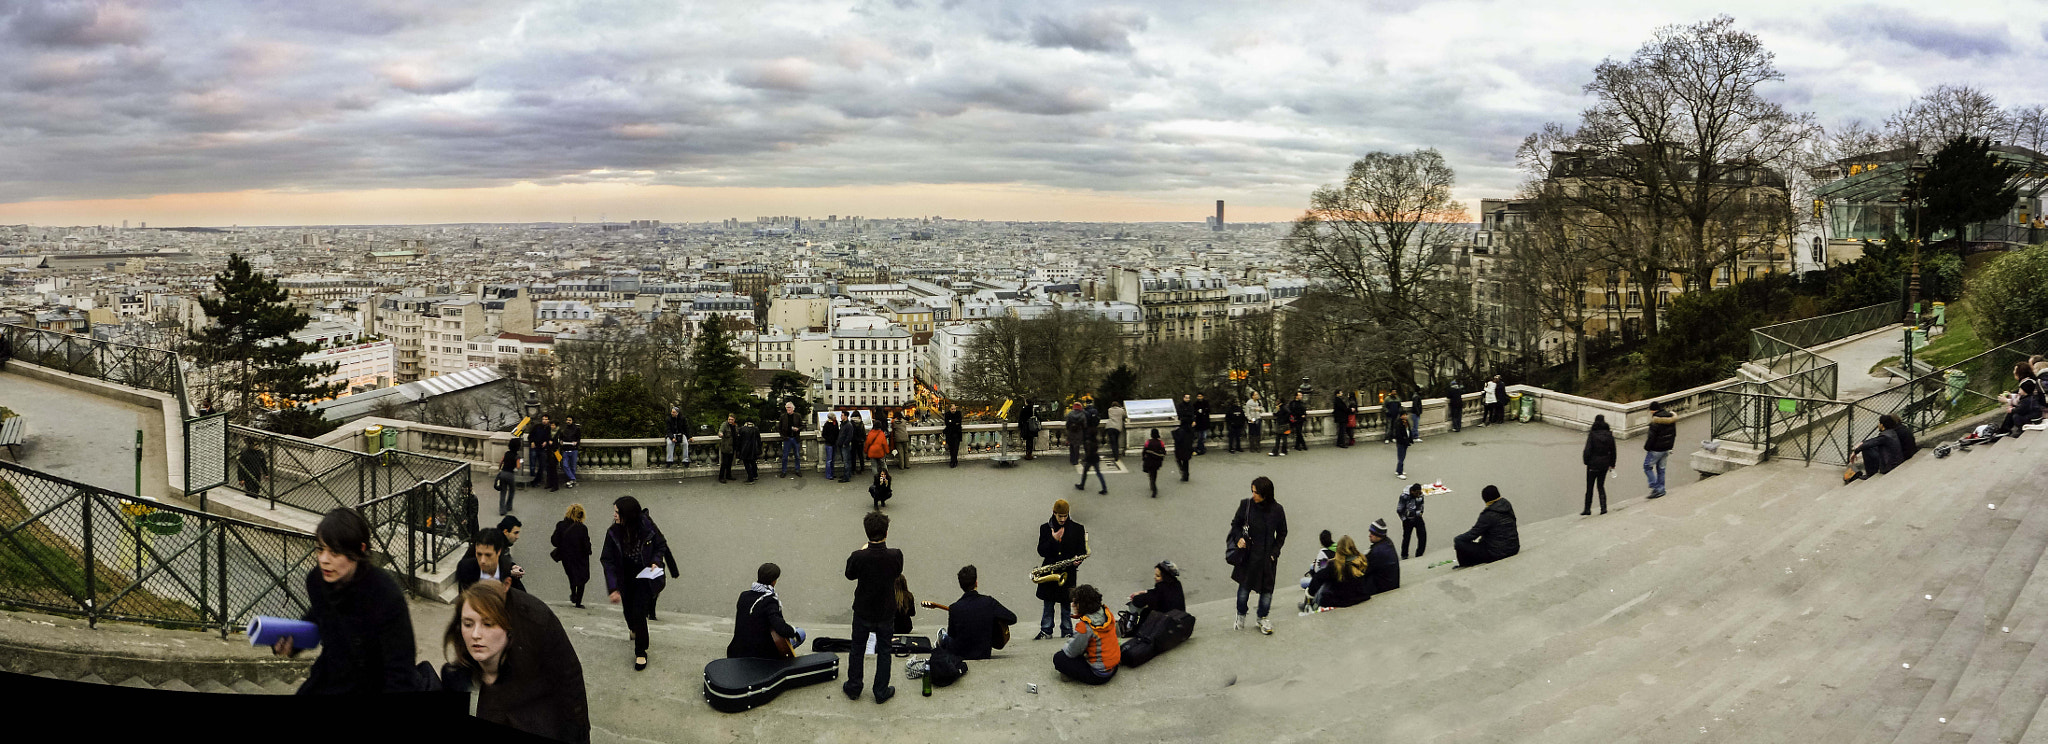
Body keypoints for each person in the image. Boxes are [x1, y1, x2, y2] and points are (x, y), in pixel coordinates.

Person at [278, 507, 418, 694]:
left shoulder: (385, 595)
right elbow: (320, 618)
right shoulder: (317, 580)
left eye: (335, 552)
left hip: (373, 684)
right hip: (329, 677)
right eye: (320, 549)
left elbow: (400, 671)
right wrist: (292, 642)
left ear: (359, 550)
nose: (324, 560)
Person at [444, 580, 590, 744]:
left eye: (488, 624)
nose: (475, 634)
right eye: (468, 624)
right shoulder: (461, 670)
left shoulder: (536, 623)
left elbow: (570, 678)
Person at [844, 511, 905, 703]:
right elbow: (897, 572)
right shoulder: (895, 555)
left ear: (867, 533)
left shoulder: (858, 556)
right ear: (886, 532)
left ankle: (854, 687)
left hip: (863, 609)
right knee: (885, 650)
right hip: (885, 610)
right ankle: (880, 690)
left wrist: (863, 551)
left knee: (857, 648)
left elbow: (849, 574)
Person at [602, 496, 667, 671]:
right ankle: (633, 628)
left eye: (617, 512)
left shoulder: (647, 527)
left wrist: (656, 561)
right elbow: (607, 560)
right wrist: (613, 587)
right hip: (625, 578)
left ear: (627, 515)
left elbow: (661, 545)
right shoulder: (613, 533)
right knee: (628, 612)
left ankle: (640, 651)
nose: (614, 515)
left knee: (639, 614)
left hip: (645, 577)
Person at [1229, 476, 1288, 635]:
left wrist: (1274, 553)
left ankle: (1262, 617)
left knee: (1267, 592)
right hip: (1248, 556)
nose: (1253, 495)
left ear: (1265, 494)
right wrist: (1239, 538)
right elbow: (1235, 525)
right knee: (1243, 590)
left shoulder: (1277, 510)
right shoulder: (1246, 505)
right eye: (1252, 491)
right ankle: (1241, 615)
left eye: (1256, 492)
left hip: (1267, 559)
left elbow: (1282, 533)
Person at [930, 565, 1017, 661]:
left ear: (961, 586)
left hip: (961, 653)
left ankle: (940, 640)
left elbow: (952, 634)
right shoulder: (989, 602)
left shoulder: (954, 608)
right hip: (983, 653)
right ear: (976, 583)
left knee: (945, 637)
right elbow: (1012, 618)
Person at [727, 563, 806, 659]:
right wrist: (794, 633)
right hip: (760, 654)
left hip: (737, 650)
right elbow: (780, 628)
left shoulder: (744, 595)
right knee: (800, 632)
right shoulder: (770, 601)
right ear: (774, 581)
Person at [1036, 499, 1088, 640]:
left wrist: (1079, 560)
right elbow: (1041, 551)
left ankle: (1067, 630)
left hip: (1068, 572)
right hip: (1050, 572)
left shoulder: (1077, 529)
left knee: (1066, 604)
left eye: (1065, 516)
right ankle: (1046, 630)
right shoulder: (1045, 528)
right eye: (1060, 516)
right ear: (1054, 513)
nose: (1063, 519)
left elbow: (1082, 550)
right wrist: (1053, 539)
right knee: (1048, 603)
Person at [1052, 585, 1119, 686]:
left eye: (1075, 603)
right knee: (1085, 646)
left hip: (1099, 675)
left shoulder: (1085, 627)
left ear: (1083, 605)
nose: (1072, 605)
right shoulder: (1106, 613)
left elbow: (1071, 652)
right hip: (1113, 666)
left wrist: (1067, 645)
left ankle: (1072, 675)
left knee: (1059, 658)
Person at [1453, 485, 1519, 568]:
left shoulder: (1488, 515)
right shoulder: (1506, 504)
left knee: (1459, 541)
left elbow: (1473, 534)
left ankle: (1465, 565)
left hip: (1496, 553)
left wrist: (1458, 538)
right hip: (1514, 548)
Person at [1305, 535, 1369, 609]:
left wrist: (1310, 594)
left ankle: (1309, 604)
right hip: (1360, 596)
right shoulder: (1362, 560)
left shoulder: (1331, 561)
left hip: (1343, 600)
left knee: (1308, 582)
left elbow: (1317, 575)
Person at [457, 525, 526, 594]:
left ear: (498, 552)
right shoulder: (466, 570)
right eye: (479, 554)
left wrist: (513, 567)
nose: (483, 560)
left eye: (488, 555)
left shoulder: (504, 567)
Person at [550, 504, 591, 608]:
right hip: (580, 557)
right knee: (582, 578)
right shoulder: (582, 528)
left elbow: (554, 541)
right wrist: (588, 551)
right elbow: (586, 544)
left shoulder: (561, 525)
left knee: (571, 576)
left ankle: (573, 593)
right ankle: (578, 602)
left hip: (566, 557)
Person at [1125, 560, 1185, 628]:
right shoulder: (1176, 584)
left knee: (1145, 611)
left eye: (1158, 576)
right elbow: (1156, 592)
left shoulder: (1161, 589)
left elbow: (1140, 600)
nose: (1154, 577)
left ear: (1165, 577)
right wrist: (1144, 592)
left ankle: (1132, 625)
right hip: (1180, 620)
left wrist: (1136, 597)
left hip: (1167, 625)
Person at [1994, 362, 2045, 437]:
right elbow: (2021, 398)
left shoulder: (2028, 384)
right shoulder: (2028, 382)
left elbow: (2022, 403)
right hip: (2034, 409)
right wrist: (2011, 396)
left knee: (2014, 414)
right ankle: (2004, 429)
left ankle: (2007, 430)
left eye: (2015, 370)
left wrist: (2007, 401)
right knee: (2013, 410)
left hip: (2035, 412)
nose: (2014, 372)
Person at [1583, 415, 1616, 515]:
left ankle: (1587, 509)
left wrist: (1586, 461)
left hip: (1593, 464)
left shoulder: (1592, 435)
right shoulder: (1610, 435)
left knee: (1590, 487)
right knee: (1600, 485)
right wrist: (1612, 464)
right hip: (1604, 464)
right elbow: (1613, 451)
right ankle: (1603, 507)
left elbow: (1587, 450)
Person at [1643, 401, 1678, 499]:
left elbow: (1651, 438)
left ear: (1653, 410)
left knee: (1647, 467)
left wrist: (1647, 447)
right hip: (1667, 449)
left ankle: (1656, 487)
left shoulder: (1655, 422)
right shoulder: (1671, 420)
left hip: (1656, 449)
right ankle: (1661, 489)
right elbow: (1674, 435)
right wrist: (1670, 447)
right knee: (1661, 469)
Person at [1362, 519, 1400, 597]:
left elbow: (1365, 570)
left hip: (1384, 587)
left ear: (1379, 535)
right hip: (1392, 582)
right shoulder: (1387, 542)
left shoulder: (1378, 551)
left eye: (1372, 533)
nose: (1369, 535)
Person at [1396, 483, 1427, 559]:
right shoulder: (1404, 497)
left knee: (1422, 535)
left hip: (1418, 518)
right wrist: (1404, 519)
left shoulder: (1420, 495)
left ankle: (1419, 554)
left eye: (1419, 493)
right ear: (1412, 491)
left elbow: (1422, 505)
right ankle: (1404, 555)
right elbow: (1399, 509)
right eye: (1416, 493)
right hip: (1408, 520)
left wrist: (1420, 513)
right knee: (1406, 537)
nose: (1418, 495)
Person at [1077, 422, 1107, 495]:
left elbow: (1088, 451)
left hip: (1090, 459)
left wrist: (1085, 459)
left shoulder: (1088, 441)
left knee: (1085, 472)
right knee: (1098, 473)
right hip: (1096, 458)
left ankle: (1082, 485)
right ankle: (1104, 488)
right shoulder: (1095, 440)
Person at [778, 402, 804, 478]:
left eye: (789, 408)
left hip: (795, 438)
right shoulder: (783, 417)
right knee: (785, 456)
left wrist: (798, 429)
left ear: (793, 408)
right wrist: (783, 436)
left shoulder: (797, 416)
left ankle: (797, 470)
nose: (788, 409)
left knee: (797, 455)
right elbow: (779, 428)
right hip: (787, 438)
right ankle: (784, 471)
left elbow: (802, 426)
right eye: (787, 408)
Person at [1141, 429, 1167, 498]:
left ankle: (1153, 488)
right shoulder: (1160, 442)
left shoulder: (1148, 442)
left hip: (1149, 461)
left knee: (1151, 474)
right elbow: (1164, 451)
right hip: (1157, 461)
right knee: (1154, 473)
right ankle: (1153, 484)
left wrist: (1143, 458)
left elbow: (1144, 451)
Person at [839, 411, 865, 482]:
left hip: (853, 441)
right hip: (860, 442)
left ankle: (853, 469)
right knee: (860, 456)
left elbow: (850, 434)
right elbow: (863, 433)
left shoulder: (851, 423)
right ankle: (862, 468)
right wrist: (862, 439)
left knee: (852, 456)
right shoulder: (861, 423)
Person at [495, 444, 519, 516]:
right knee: (512, 490)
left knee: (503, 492)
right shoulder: (517, 456)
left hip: (503, 473)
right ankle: (508, 506)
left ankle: (502, 509)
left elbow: (501, 461)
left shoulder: (506, 453)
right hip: (510, 475)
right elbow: (518, 466)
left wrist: (499, 468)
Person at [558, 416, 582, 489]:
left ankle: (570, 481)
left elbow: (578, 439)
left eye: (570, 420)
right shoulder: (563, 429)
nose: (568, 421)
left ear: (572, 421)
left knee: (572, 467)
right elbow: (561, 438)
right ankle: (573, 479)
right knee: (565, 465)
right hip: (565, 450)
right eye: (567, 420)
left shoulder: (576, 429)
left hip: (573, 450)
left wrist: (576, 442)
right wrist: (561, 442)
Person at [528, 415, 553, 483]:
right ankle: (532, 479)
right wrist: (532, 442)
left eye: (546, 419)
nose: (544, 421)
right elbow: (530, 436)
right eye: (543, 419)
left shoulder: (549, 428)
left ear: (548, 421)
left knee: (542, 465)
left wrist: (546, 442)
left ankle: (538, 479)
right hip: (534, 447)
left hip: (542, 449)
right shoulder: (537, 426)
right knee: (532, 464)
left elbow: (550, 438)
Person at [737, 418, 763, 484]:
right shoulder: (756, 429)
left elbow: (739, 440)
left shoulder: (742, 429)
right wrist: (760, 449)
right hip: (753, 449)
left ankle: (750, 478)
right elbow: (759, 440)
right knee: (753, 462)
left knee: (746, 464)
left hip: (745, 449)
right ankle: (755, 475)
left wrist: (738, 449)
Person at [717, 414, 739, 483]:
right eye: (729, 419)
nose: (730, 421)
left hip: (732, 447)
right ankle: (721, 477)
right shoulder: (724, 425)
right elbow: (720, 431)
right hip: (726, 447)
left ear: (734, 420)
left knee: (730, 463)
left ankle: (728, 475)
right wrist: (720, 434)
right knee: (724, 463)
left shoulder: (735, 425)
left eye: (732, 420)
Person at [1392, 413, 1414, 479]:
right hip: (1401, 442)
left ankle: (1398, 470)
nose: (1405, 416)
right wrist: (1404, 440)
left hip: (1405, 442)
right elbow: (1398, 434)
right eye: (1403, 415)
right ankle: (1400, 473)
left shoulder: (1406, 422)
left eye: (1406, 415)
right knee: (1401, 457)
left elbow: (1409, 431)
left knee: (1402, 457)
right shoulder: (1399, 423)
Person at [823, 413, 841, 481]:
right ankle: (828, 474)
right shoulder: (827, 424)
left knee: (832, 460)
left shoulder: (835, 423)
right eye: (834, 416)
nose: (835, 417)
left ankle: (832, 473)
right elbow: (824, 434)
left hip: (833, 443)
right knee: (829, 460)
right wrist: (830, 439)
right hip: (829, 444)